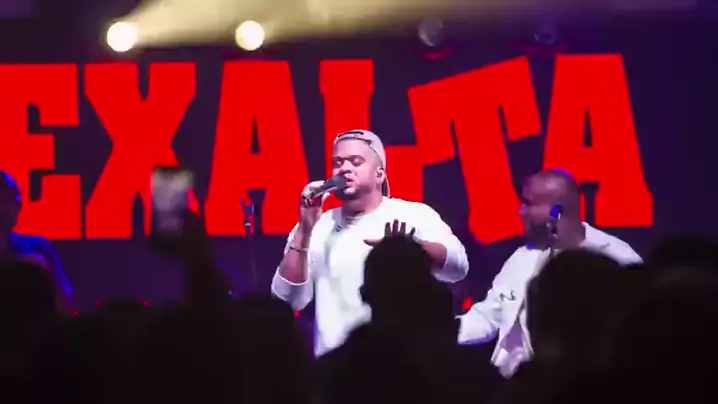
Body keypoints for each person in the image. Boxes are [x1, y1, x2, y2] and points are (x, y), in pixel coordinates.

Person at [271, 129, 469, 356]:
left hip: (402, 364)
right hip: (336, 368)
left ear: (379, 173)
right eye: (338, 163)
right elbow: (285, 301)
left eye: (356, 162)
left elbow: (459, 267)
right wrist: (304, 230)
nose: (344, 169)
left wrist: (409, 250)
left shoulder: (413, 214)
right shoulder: (316, 226)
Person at [457, 169, 642, 378]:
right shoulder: (522, 258)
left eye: (528, 203)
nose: (520, 212)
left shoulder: (617, 257)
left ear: (557, 211)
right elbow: (488, 316)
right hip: (518, 383)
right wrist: (445, 330)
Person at [0, 170, 75, 313]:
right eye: (9, 195)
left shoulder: (38, 247)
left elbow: (67, 307)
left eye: (17, 196)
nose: (19, 203)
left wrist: (45, 276)